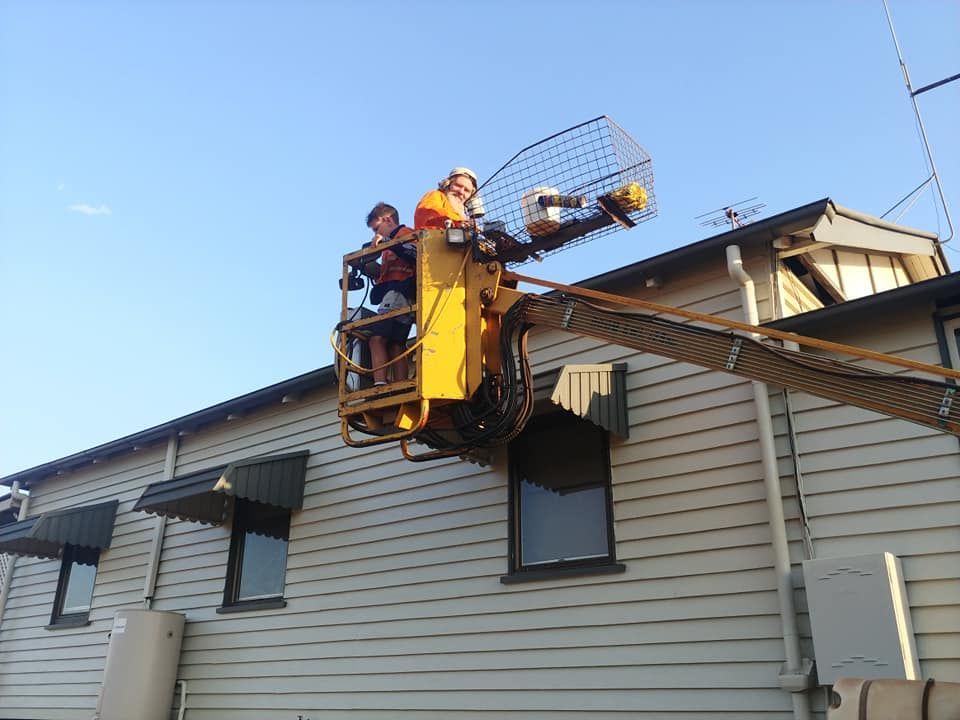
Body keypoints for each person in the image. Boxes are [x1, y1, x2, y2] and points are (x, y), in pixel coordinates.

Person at [362, 202, 417, 386]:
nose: (376, 233)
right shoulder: (389, 244)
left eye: (377, 228)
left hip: (398, 291)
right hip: (399, 293)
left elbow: (414, 252)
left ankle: (379, 382)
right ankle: (400, 383)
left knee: (376, 339)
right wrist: (369, 266)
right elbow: (389, 270)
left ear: (387, 219)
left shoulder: (404, 234)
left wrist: (386, 243)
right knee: (396, 343)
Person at [414, 167, 478, 229]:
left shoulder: (466, 215)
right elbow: (427, 216)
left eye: (466, 190)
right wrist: (456, 224)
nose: (461, 192)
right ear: (447, 184)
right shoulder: (436, 195)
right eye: (458, 185)